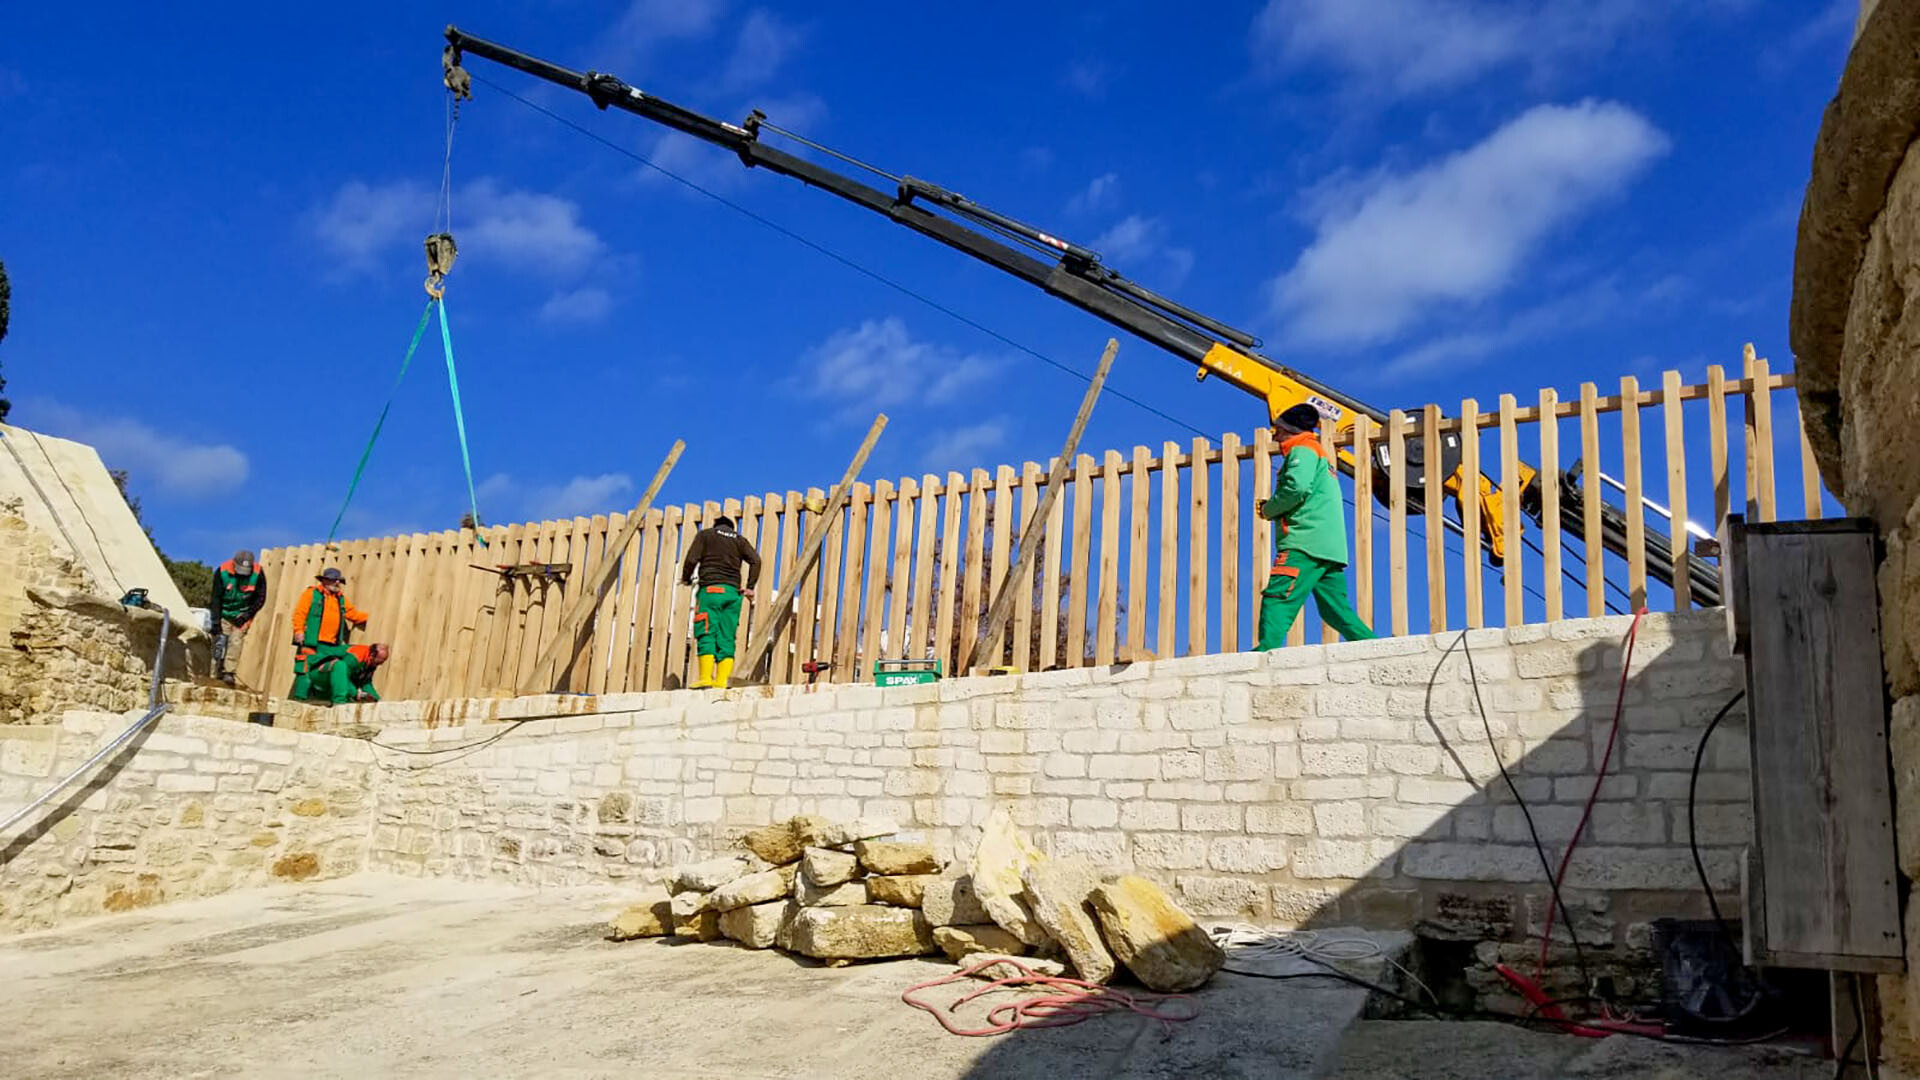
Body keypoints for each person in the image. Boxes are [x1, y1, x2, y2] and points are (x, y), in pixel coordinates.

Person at [1259, 403, 1376, 648]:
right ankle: (1375, 647)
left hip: (1304, 543)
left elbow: (1297, 488)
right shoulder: (1319, 454)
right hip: (1329, 548)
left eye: (1277, 429)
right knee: (1335, 611)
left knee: (1277, 598)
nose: (1275, 435)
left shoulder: (1301, 450)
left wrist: (1270, 508)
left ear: (1288, 430)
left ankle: (1264, 654)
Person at [680, 514, 762, 689]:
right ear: (731, 528)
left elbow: (692, 559)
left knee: (706, 631)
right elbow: (756, 560)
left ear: (715, 525)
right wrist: (750, 587)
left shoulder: (706, 535)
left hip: (711, 590)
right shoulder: (739, 540)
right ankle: (721, 680)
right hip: (733, 594)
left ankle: (705, 678)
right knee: (727, 635)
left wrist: (685, 578)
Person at [289, 567, 369, 700]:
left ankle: (327, 698)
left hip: (331, 646)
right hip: (312, 643)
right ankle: (298, 701)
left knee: (333, 669)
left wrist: (373, 617)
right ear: (324, 581)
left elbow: (353, 614)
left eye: (339, 581)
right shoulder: (311, 594)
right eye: (333, 580)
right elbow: (299, 614)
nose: (337, 583)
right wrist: (298, 631)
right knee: (304, 671)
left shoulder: (341, 599)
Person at [208, 549, 266, 685]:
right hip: (224, 612)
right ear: (234, 564)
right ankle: (214, 672)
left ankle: (229, 673)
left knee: (236, 641)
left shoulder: (258, 574)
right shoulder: (222, 572)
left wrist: (246, 615)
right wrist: (215, 622)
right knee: (219, 642)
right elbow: (215, 598)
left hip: (243, 614)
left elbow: (260, 599)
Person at [292, 643, 389, 705]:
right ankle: (339, 702)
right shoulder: (356, 656)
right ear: (372, 655)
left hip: (331, 678)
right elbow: (343, 675)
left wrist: (377, 700)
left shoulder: (369, 663)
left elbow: (366, 682)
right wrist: (356, 693)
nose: (379, 665)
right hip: (317, 672)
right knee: (340, 665)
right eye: (378, 662)